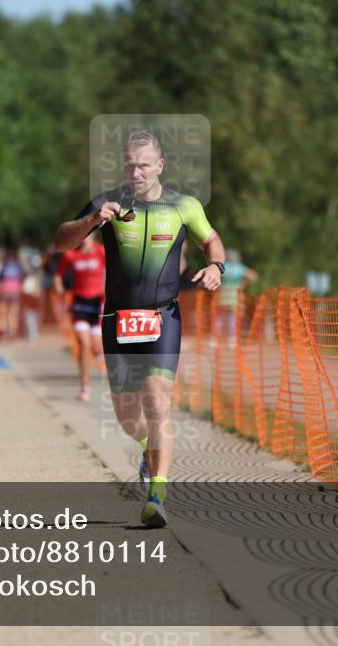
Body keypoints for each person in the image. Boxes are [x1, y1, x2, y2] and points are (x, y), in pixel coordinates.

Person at [54, 131, 225, 528]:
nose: (137, 171)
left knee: (157, 397)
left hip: (163, 316)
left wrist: (217, 267)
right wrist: (92, 220)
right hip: (117, 319)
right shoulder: (107, 202)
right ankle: (148, 452)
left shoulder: (184, 206)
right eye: (130, 164)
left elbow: (212, 240)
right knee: (128, 416)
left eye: (144, 164)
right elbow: (62, 242)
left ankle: (157, 497)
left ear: (160, 166)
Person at [55, 232, 106, 401]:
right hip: (79, 305)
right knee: (85, 344)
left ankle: (108, 368)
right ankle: (85, 386)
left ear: (93, 236)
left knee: (97, 347)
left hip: (97, 304)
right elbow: (58, 274)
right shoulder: (71, 255)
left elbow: (114, 270)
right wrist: (59, 287)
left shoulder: (101, 251)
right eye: (82, 235)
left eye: (88, 235)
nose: (85, 238)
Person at [214, 248, 258, 342]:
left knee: (220, 317)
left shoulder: (224, 267)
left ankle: (215, 338)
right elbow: (253, 276)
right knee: (232, 318)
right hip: (234, 295)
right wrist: (243, 284)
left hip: (223, 294)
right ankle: (231, 338)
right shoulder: (239, 268)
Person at [0, 247, 25, 341]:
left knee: (3, 312)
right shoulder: (18, 265)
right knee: (13, 313)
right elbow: (25, 275)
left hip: (5, 290)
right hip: (15, 290)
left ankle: (5, 333)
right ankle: (12, 332)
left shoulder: (3, 265)